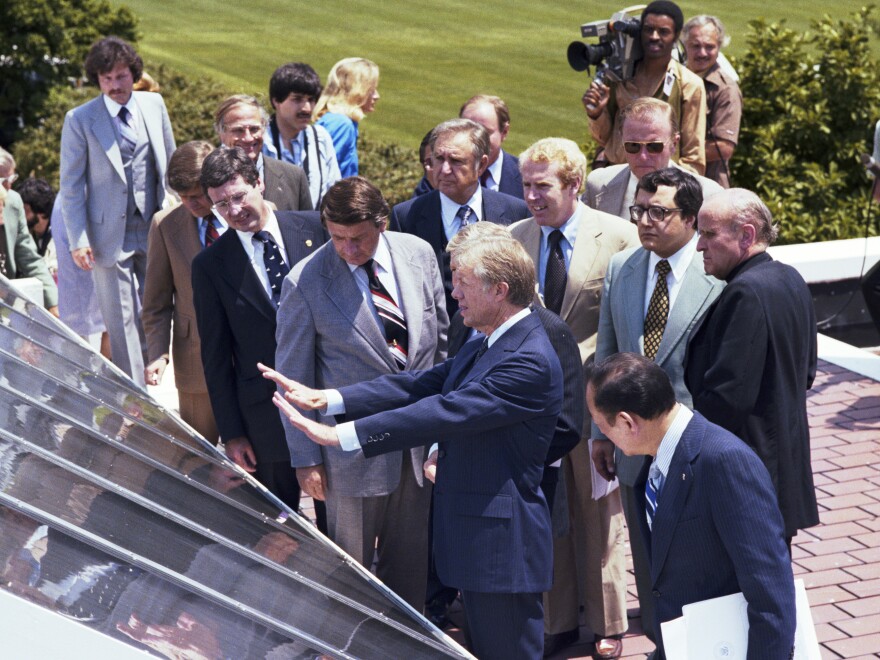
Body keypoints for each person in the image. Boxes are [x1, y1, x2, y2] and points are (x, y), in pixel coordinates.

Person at [263, 225, 563, 659]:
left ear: (499, 290)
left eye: (463, 284)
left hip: (501, 546)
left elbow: (445, 410)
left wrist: (342, 435)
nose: (453, 293)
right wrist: (330, 398)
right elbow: (425, 383)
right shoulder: (493, 340)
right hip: (479, 537)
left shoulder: (526, 359)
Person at [272, 176, 447, 611]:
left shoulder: (419, 254)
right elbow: (293, 377)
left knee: (410, 565)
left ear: (382, 222)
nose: (348, 249)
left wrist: (443, 428)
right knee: (350, 573)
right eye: (337, 238)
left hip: (418, 442)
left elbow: (441, 344)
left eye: (359, 238)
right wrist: (306, 459)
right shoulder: (305, 282)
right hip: (350, 453)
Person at [509, 138, 638, 658]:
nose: (532, 197)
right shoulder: (515, 238)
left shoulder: (621, 238)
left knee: (599, 513)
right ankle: (557, 619)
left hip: (595, 402)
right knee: (548, 509)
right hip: (538, 406)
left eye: (543, 186)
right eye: (526, 186)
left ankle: (608, 622)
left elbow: (626, 325)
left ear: (574, 185)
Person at [587, 353, 796, 660]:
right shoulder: (657, 457)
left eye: (601, 426)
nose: (602, 436)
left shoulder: (724, 462)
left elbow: (771, 593)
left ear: (627, 422)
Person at [590, 167, 723, 641]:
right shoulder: (622, 268)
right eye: (639, 210)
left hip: (693, 447)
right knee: (648, 564)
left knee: (695, 559)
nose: (645, 221)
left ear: (689, 218)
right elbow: (607, 355)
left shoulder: (715, 273)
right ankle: (662, 646)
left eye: (658, 212)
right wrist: (599, 435)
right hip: (631, 449)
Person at [191, 147, 326, 511]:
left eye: (238, 197)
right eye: (221, 205)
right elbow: (215, 357)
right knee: (277, 525)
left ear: (259, 183)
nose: (233, 211)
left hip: (328, 396)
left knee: (339, 520)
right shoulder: (210, 265)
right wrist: (232, 433)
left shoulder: (315, 228)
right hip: (265, 418)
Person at [685, 188, 819, 546]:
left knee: (747, 590)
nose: (700, 246)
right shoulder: (789, 278)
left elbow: (728, 399)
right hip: (782, 468)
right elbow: (806, 373)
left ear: (746, 234)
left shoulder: (744, 294)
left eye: (710, 234)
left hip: (747, 477)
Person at [59, 36, 176, 387]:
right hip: (107, 234)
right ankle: (135, 395)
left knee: (159, 304)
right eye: (106, 79)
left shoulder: (154, 105)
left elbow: (170, 164)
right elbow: (71, 186)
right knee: (121, 318)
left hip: (155, 225)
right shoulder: (80, 119)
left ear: (133, 74)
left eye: (121, 76)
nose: (114, 85)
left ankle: (161, 368)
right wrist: (78, 240)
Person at [389, 118, 529, 315]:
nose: (445, 170)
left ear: (481, 165)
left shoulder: (516, 212)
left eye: (456, 161)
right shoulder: (406, 216)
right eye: (438, 159)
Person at [142, 141, 223, 443]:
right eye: (183, 197)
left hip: (249, 360)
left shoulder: (248, 215)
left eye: (197, 196)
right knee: (200, 455)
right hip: (195, 360)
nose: (191, 204)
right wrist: (158, 353)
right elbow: (156, 302)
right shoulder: (166, 225)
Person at [583, 1, 706, 174]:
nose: (654, 36)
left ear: (676, 35)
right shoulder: (619, 75)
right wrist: (596, 114)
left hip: (661, 181)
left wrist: (674, 190)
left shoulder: (689, 84)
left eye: (663, 32)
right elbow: (604, 139)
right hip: (616, 174)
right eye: (648, 29)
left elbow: (693, 157)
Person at [584, 98, 721, 221]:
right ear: (622, 142)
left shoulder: (707, 195)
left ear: (674, 144)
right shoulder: (597, 184)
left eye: (654, 146)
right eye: (633, 146)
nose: (643, 156)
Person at [263, 62, 341, 208]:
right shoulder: (258, 140)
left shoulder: (321, 137)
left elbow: (334, 190)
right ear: (276, 101)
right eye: (297, 99)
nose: (307, 108)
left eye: (311, 100)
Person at [214, 95, 312, 212]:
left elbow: (308, 227)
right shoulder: (204, 180)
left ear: (264, 128)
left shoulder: (294, 177)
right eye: (238, 130)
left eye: (254, 129)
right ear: (221, 133)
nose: (248, 138)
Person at [683, 15, 742, 187]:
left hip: (707, 188)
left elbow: (723, 147)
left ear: (719, 48)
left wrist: (674, 154)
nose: (702, 53)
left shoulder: (726, 89)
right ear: (684, 44)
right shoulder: (675, 78)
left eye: (709, 47)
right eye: (695, 46)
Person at [0, 150, 59, 314]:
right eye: (4, 181)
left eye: (12, 179)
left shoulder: (13, 202)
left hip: (7, 303)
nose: (9, 187)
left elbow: (30, 258)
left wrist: (53, 302)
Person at [314, 58, 380, 178]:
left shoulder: (339, 121)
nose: (377, 96)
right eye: (371, 90)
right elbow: (323, 175)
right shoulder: (342, 125)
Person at [459, 95, 523, 199]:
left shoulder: (527, 177)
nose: (474, 140)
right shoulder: (441, 174)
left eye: (485, 132)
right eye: (466, 130)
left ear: (504, 132)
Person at [15, 177, 57, 279]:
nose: (20, 215)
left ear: (38, 209)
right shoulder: (33, 235)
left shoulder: (58, 238)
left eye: (24, 209)